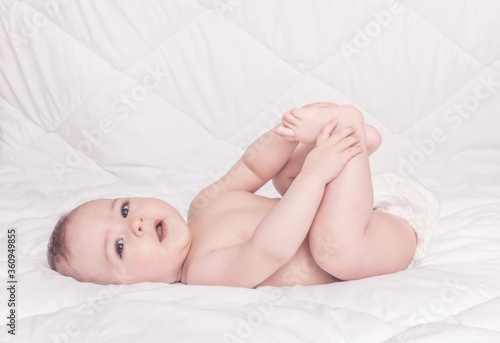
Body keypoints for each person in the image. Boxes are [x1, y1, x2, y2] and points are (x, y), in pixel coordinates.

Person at [47, 102, 439, 287]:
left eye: (125, 208)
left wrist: (285, 134)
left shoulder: (202, 205)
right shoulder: (201, 272)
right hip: (370, 239)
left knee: (285, 172)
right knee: (332, 248)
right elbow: (267, 251)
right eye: (118, 246)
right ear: (130, 286)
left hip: (362, 214)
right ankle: (348, 135)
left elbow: (253, 168)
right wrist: (317, 173)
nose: (133, 223)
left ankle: (342, 143)